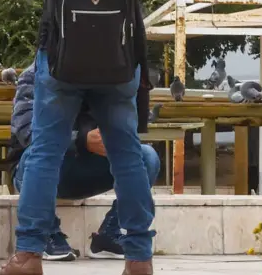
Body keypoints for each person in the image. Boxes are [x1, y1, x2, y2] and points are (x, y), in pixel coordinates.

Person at [0, 0, 156, 275]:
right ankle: (139, 258)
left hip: (60, 60)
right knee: (127, 155)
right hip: (121, 62)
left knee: (44, 153)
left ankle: (29, 256)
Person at [10, 64, 160, 260]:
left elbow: (131, 129)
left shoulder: (115, 75)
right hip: (43, 167)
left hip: (90, 167)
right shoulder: (36, 73)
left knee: (146, 156)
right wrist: (82, 140)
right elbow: (27, 132)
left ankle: (111, 233)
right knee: (35, 153)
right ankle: (45, 233)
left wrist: (114, 139)